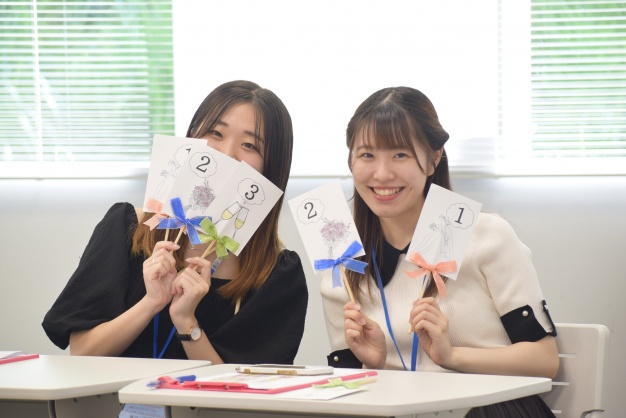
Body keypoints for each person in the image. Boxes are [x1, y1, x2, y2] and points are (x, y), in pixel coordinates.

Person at [320, 86, 559, 417]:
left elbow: (545, 361)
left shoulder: (486, 235)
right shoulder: (343, 262)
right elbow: (349, 389)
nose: (382, 174)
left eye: (400, 155)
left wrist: (452, 355)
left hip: (488, 409)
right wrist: (373, 365)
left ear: (434, 159)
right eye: (367, 155)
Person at [43, 80, 308, 364]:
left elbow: (240, 387)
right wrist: (151, 302)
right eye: (216, 133)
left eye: (249, 145)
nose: (227, 153)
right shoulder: (127, 227)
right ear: (192, 138)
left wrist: (185, 321)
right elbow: (83, 352)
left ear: (272, 167)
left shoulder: (278, 274)